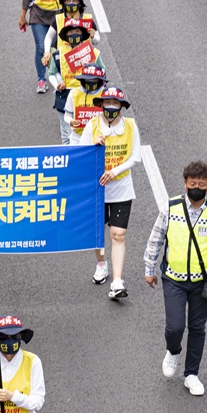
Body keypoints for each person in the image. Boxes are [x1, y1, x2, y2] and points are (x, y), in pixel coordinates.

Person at [142, 161, 207, 396]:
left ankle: (191, 374)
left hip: (201, 282)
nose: (197, 187)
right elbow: (156, 238)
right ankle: (173, 350)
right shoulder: (171, 207)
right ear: (185, 183)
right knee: (175, 326)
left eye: (202, 184)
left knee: (197, 327)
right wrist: (149, 267)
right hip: (173, 279)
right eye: (193, 183)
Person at [79, 87, 141, 299]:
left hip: (121, 187)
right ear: (101, 105)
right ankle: (101, 263)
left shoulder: (130, 126)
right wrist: (93, 145)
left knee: (118, 234)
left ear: (122, 107)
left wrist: (113, 171)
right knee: (98, 234)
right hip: (97, 189)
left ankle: (117, 281)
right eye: (107, 103)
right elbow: (80, 153)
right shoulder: (93, 125)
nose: (111, 108)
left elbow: (135, 157)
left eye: (115, 104)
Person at [18, 0, 73, 95]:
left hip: (59, 16)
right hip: (38, 16)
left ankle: (61, 76)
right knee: (41, 47)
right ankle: (42, 79)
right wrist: (23, 16)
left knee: (60, 48)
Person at [46, 18, 105, 145]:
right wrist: (57, 84)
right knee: (67, 135)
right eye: (70, 32)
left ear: (82, 33)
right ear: (65, 35)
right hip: (65, 95)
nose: (74, 34)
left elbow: (103, 72)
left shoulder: (93, 52)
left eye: (77, 30)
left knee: (93, 132)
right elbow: (51, 73)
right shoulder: (58, 54)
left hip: (90, 97)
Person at [63, 65, 106, 146]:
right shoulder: (73, 94)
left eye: (94, 79)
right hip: (78, 137)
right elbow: (67, 116)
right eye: (88, 78)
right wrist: (71, 121)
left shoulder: (105, 94)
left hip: (100, 137)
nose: (91, 81)